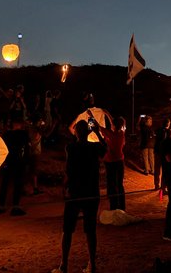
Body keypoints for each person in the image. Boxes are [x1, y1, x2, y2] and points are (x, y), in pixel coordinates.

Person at [51, 116, 107, 273]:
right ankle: (93, 265)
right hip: (91, 191)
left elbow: (68, 169)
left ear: (75, 132)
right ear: (88, 132)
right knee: (90, 230)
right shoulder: (94, 147)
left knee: (68, 229)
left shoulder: (70, 148)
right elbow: (106, 149)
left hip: (75, 192)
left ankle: (64, 265)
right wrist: (97, 131)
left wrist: (65, 186)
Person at [0, 114, 30, 215]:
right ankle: (15, 207)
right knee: (18, 184)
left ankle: (1, 206)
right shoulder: (24, 135)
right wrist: (26, 161)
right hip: (19, 162)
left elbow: (1, 149)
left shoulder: (7, 135)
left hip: (8, 161)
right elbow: (27, 149)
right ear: (20, 124)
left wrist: (3, 162)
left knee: (5, 184)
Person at [98, 110, 126, 211]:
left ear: (113, 126)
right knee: (119, 184)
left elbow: (98, 127)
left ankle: (114, 206)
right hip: (120, 161)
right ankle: (122, 206)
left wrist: (91, 115)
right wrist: (107, 113)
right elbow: (113, 122)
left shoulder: (109, 133)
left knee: (112, 184)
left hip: (110, 162)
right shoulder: (121, 134)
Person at [154, 118, 171, 191]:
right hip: (164, 152)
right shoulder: (168, 131)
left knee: (157, 169)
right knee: (165, 169)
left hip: (157, 151)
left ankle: (156, 185)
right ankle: (163, 186)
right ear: (168, 124)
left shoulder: (158, 130)